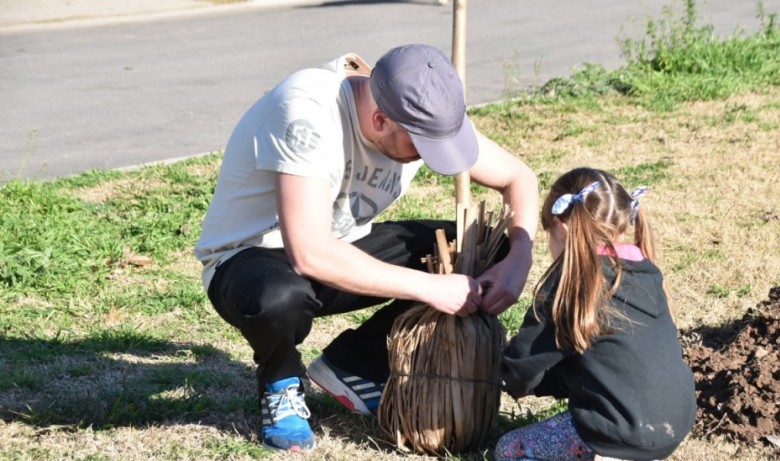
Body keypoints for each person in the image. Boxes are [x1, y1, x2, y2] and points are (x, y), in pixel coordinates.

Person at [194, 44, 538, 452]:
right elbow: (309, 253)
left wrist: (518, 258)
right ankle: (280, 379)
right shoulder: (306, 111)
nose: (430, 159)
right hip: (251, 261)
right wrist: (429, 287)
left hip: (339, 246)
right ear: (379, 120)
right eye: (422, 149)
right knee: (280, 297)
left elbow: (519, 177)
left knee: (482, 249)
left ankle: (352, 365)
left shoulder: (421, 107)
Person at [495, 168, 695, 461]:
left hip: (617, 433)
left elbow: (522, 366)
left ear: (560, 228)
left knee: (509, 449)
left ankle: (608, 455)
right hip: (673, 426)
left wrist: (503, 375)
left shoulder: (570, 279)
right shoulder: (645, 270)